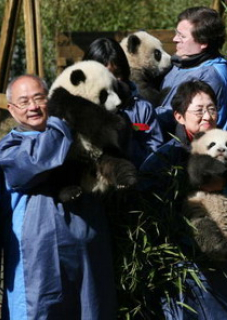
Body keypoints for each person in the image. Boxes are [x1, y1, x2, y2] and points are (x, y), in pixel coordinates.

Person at [141, 80, 227, 320]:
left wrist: (226, 185)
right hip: (184, 258)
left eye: (212, 108)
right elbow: (148, 201)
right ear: (179, 116)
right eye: (199, 110)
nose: (207, 115)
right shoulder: (166, 157)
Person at [0, 75, 116, 319]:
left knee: (91, 310)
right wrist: (62, 121)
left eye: (39, 98)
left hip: (87, 250)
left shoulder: (81, 137)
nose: (33, 107)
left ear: (49, 99)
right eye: (23, 102)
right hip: (37, 259)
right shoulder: (10, 148)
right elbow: (35, 162)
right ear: (11, 109)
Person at [83, 37, 164, 168]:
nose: (112, 80)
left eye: (117, 73)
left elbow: (155, 152)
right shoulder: (77, 108)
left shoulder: (141, 108)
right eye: (103, 74)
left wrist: (126, 136)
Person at [157, 6, 227, 136]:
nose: (174, 39)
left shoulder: (209, 75)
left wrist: (145, 114)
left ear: (203, 42)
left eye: (182, 36)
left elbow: (184, 118)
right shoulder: (187, 61)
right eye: (176, 33)